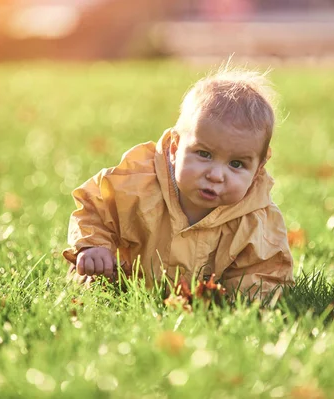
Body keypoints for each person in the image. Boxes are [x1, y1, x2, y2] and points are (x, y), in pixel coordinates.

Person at [63, 64, 294, 299]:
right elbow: (97, 208)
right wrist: (94, 245)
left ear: (258, 169)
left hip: (200, 301)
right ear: (174, 147)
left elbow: (263, 273)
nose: (216, 175)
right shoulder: (138, 185)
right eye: (204, 154)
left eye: (236, 164)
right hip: (122, 281)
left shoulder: (256, 221)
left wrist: (240, 303)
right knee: (89, 276)